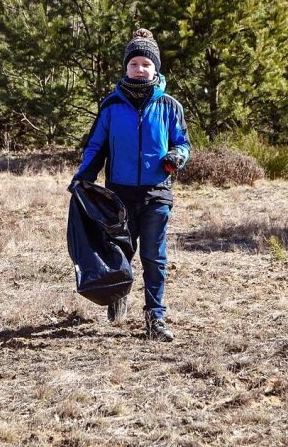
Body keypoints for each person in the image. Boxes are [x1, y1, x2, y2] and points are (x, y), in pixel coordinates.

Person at [70, 28, 190, 341]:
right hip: (119, 196)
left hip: (156, 194)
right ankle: (118, 296)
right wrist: (84, 176)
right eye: (134, 63)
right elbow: (96, 146)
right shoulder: (111, 105)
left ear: (156, 68)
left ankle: (155, 319)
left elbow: (183, 143)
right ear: (126, 67)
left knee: (154, 256)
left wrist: (177, 156)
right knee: (120, 255)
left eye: (145, 64)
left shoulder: (169, 107)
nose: (140, 69)